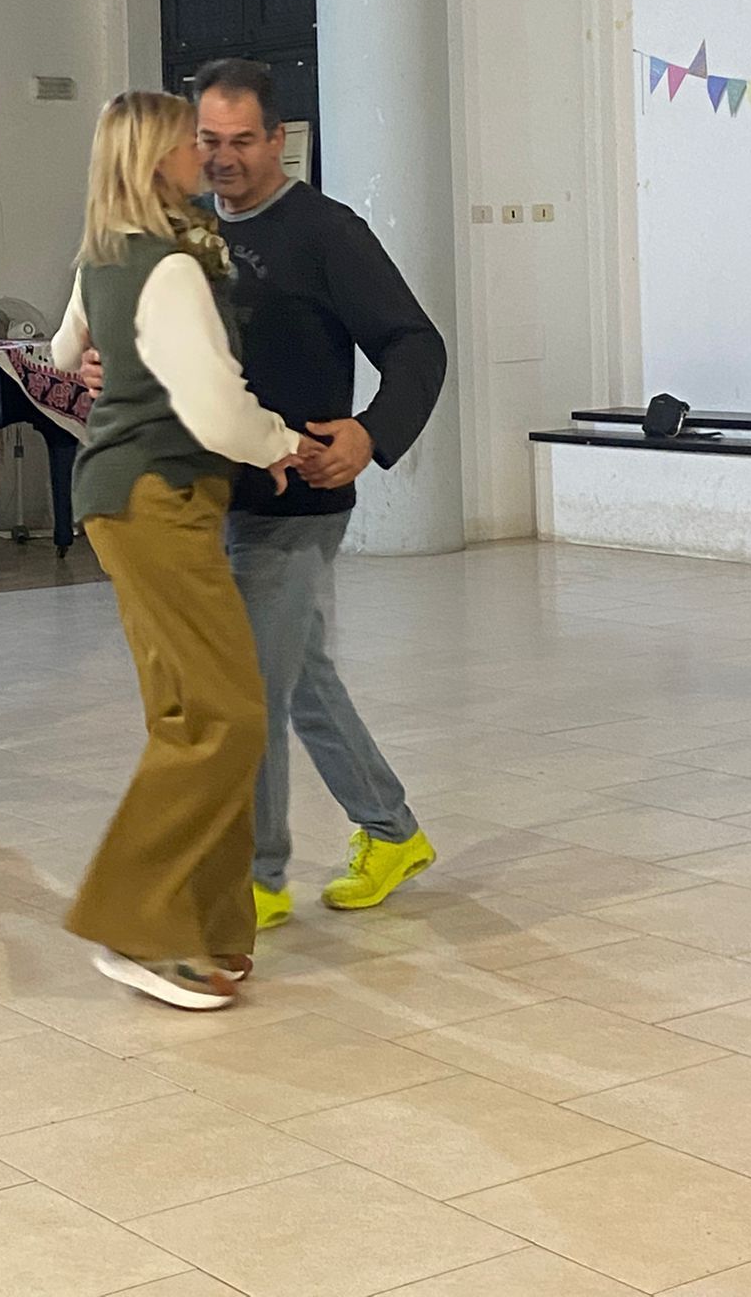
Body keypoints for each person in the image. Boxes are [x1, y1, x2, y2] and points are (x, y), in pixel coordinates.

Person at [51, 90, 308, 1011]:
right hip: (157, 496)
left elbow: (62, 349)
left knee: (189, 717)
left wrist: (108, 368)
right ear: (157, 157)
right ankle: (138, 926)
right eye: (189, 143)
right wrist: (279, 443)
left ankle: (200, 931)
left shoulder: (105, 256)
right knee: (228, 717)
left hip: (133, 499)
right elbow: (212, 406)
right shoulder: (167, 268)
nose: (205, 154)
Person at [195, 59, 448, 929]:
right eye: (209, 142)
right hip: (211, 501)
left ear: (279, 140)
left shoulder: (326, 232)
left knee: (249, 686)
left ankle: (259, 878)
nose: (224, 160)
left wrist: (370, 432)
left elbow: (416, 344)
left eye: (241, 142)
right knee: (297, 676)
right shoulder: (186, 233)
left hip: (296, 502)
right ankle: (392, 831)